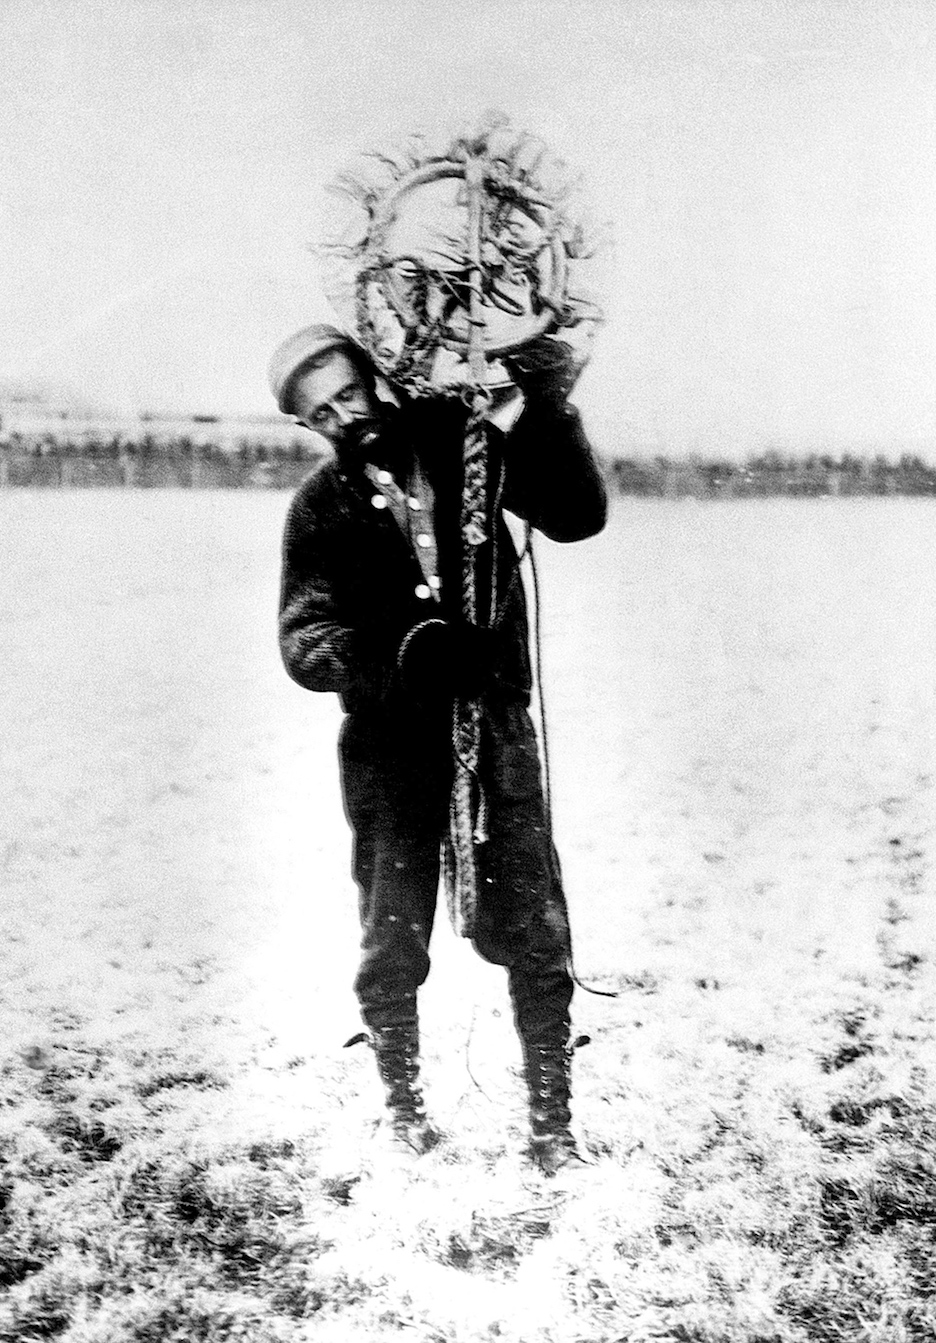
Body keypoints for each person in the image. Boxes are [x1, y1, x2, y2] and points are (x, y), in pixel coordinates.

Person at [270, 323, 607, 1175]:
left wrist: (552, 407)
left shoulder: (468, 451)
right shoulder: (320, 507)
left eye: (351, 394)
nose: (346, 416)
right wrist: (399, 655)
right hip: (390, 753)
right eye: (324, 413)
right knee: (392, 940)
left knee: (533, 923)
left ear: (375, 379)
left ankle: (552, 1127)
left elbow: (574, 515)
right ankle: (405, 1113)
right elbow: (305, 640)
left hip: (493, 732)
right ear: (309, 426)